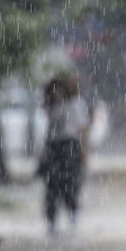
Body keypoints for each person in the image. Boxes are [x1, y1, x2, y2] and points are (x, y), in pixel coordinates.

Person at [40, 74, 90, 234]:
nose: (57, 92)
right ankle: (51, 219)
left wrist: (84, 149)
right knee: (52, 186)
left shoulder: (76, 104)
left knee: (70, 182)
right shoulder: (52, 106)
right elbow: (49, 131)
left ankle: (73, 212)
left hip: (70, 146)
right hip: (55, 147)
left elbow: (83, 128)